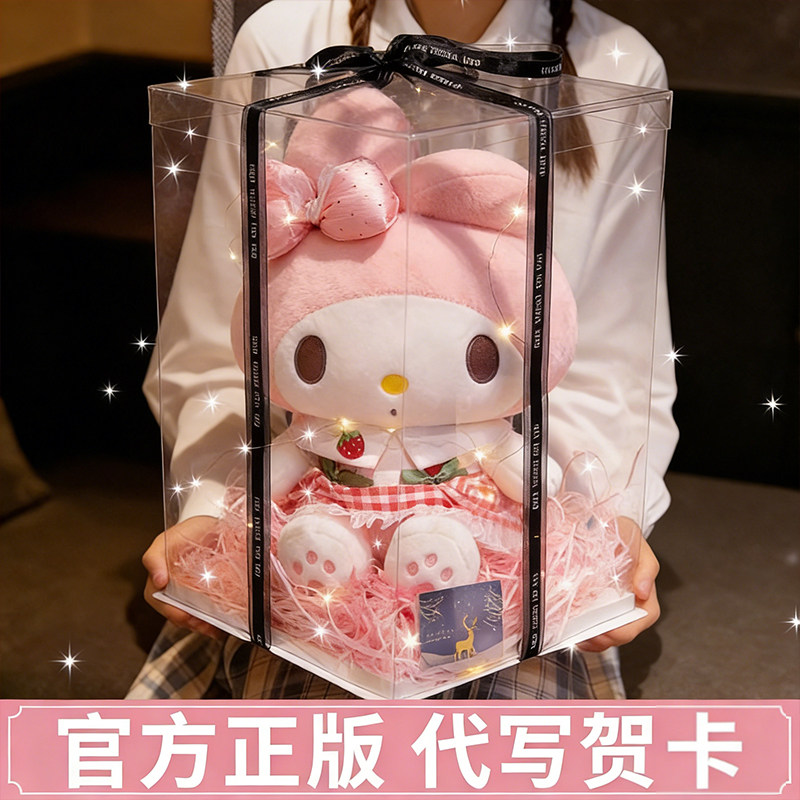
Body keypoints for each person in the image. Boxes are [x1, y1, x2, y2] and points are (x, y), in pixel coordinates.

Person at [128, 0, 678, 700]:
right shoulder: (286, 38)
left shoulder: (617, 67)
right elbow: (215, 333)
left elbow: (614, 361)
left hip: (509, 560)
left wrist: (599, 529)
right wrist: (216, 510)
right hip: (306, 535)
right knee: (308, 728)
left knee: (480, 702)